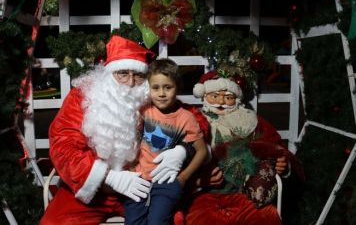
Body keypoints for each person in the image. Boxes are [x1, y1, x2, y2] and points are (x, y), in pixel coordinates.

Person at [40, 36, 188, 224]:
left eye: (138, 75)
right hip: (92, 191)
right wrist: (109, 178)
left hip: (140, 187)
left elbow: (194, 120)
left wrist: (183, 149)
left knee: (174, 220)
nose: (131, 82)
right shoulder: (84, 96)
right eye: (123, 73)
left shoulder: (150, 96)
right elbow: (63, 145)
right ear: (109, 74)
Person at [183, 70, 304, 225]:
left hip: (245, 191)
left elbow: (277, 147)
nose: (221, 102)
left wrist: (283, 165)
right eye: (214, 96)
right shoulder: (194, 121)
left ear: (237, 99)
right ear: (204, 96)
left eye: (228, 98)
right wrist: (198, 181)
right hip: (205, 192)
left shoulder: (251, 121)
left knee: (265, 217)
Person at [124, 59, 208, 225]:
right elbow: (131, 138)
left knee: (157, 221)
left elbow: (202, 151)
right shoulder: (144, 110)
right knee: (133, 221)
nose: (161, 93)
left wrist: (183, 178)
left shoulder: (186, 117)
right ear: (149, 89)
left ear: (177, 87)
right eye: (155, 88)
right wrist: (132, 168)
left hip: (167, 182)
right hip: (140, 178)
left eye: (167, 87)